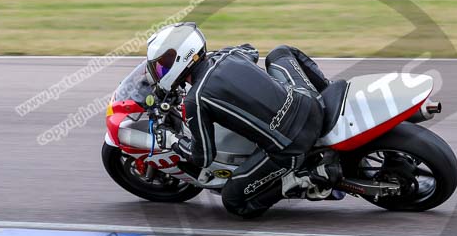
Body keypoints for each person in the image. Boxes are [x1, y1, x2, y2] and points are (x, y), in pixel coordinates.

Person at [145, 22, 338, 218]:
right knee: (280, 52)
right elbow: (251, 50)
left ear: (179, 58)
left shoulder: (195, 99)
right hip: (310, 103)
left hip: (291, 146)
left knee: (233, 201)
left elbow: (202, 157)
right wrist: (226, 56)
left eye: (162, 66)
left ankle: (305, 177)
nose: (160, 72)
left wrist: (172, 140)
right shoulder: (227, 55)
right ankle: (328, 91)